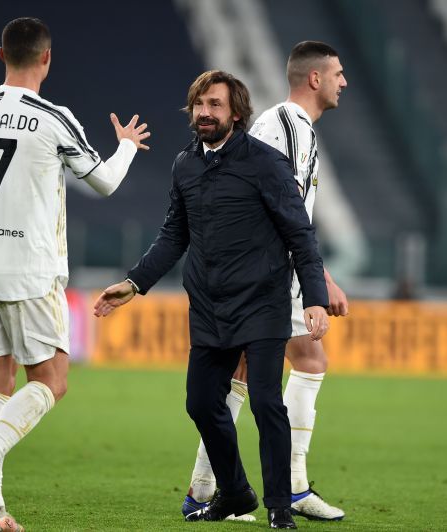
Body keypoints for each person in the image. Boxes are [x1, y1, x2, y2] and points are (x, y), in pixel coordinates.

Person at [0, 17, 150, 531]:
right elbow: (106, 184)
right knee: (53, 380)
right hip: (30, 271)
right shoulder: (54, 118)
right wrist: (128, 145)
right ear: (47, 59)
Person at [94, 70, 329, 530]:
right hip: (209, 306)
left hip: (262, 304)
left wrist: (314, 298)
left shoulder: (266, 163)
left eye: (214, 105)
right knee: (201, 403)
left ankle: (280, 505)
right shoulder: (185, 165)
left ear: (235, 113)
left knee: (265, 403)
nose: (204, 112)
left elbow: (300, 234)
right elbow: (174, 234)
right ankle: (237, 491)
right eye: (199, 105)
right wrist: (134, 282)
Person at [182, 41, 350, 522]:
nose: (343, 82)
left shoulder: (291, 127)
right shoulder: (290, 127)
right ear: (314, 78)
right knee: (308, 359)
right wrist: (321, 279)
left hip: (257, 268)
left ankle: (204, 487)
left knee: (244, 374)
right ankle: (291, 487)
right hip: (264, 271)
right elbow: (286, 212)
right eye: (337, 73)